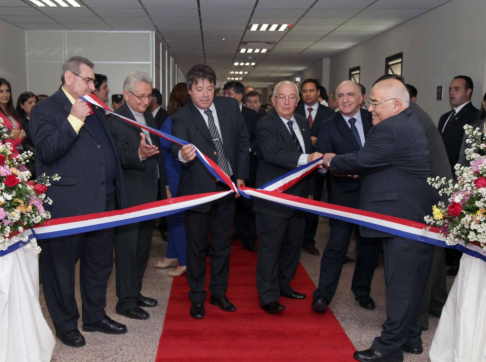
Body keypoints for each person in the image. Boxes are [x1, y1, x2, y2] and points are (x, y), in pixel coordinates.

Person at [323, 79, 438, 362]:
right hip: (411, 214)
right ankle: (410, 338)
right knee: (410, 281)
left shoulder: (391, 127)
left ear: (396, 105)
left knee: (400, 284)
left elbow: (365, 159)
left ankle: (388, 348)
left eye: (375, 102)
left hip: (403, 218)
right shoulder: (409, 119)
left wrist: (331, 161)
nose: (370, 108)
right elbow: (383, 163)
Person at [30, 56, 127, 348]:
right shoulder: (45, 109)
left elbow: (103, 149)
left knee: (99, 263)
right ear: (69, 78)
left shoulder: (95, 107)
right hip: (67, 204)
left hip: (103, 200)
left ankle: (95, 316)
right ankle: (66, 324)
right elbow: (47, 151)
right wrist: (74, 118)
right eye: (87, 79)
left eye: (93, 81)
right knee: (60, 268)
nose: (92, 85)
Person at [171, 64, 249, 319]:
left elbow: (241, 141)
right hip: (198, 193)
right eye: (199, 89)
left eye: (209, 88)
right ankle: (196, 297)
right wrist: (182, 155)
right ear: (190, 91)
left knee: (222, 246)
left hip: (227, 190)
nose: (205, 94)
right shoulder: (182, 117)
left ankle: (219, 292)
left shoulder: (228, 107)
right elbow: (178, 148)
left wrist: (240, 177)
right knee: (196, 248)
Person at [312, 80, 381, 314]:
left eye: (350, 95)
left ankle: (362, 291)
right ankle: (322, 294)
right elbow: (323, 163)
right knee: (336, 246)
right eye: (340, 95)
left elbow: (381, 156)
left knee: (369, 247)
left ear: (362, 98)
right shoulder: (328, 125)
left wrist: (342, 162)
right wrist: (337, 165)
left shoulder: (376, 120)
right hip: (343, 194)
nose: (345, 100)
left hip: (372, 193)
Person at [253, 80, 323, 314]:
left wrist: (311, 188)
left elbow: (308, 163)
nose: (286, 101)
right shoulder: (265, 124)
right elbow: (273, 153)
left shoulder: (303, 123)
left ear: (298, 100)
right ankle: (268, 296)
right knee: (270, 249)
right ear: (273, 101)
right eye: (281, 97)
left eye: (291, 97)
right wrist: (307, 158)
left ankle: (284, 285)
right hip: (273, 198)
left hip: (299, 197)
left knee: (293, 247)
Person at [109, 71, 170, 321]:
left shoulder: (146, 117)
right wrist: (140, 154)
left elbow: (158, 154)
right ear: (126, 95)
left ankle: (135, 292)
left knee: (143, 247)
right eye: (141, 96)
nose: (146, 101)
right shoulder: (115, 120)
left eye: (149, 96)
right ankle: (125, 301)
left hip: (149, 192)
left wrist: (164, 185)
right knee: (127, 249)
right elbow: (120, 156)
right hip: (130, 195)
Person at [438, 75, 479, 276]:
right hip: (442, 174)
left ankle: (455, 258)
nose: (452, 93)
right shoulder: (445, 117)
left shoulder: (475, 116)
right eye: (450, 89)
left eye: (457, 89)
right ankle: (445, 254)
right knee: (444, 215)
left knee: (458, 217)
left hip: (459, 175)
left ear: (468, 91)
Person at [295, 78, 334, 256]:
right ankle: (294, 238)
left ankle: (309, 240)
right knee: (296, 202)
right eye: (305, 91)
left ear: (318, 92)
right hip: (297, 164)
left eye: (311, 91)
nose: (308, 94)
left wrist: (319, 140)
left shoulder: (329, 113)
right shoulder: (293, 110)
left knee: (313, 202)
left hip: (318, 166)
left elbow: (333, 136)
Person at [155, 82, 190, 277]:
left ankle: (182, 261)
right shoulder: (175, 119)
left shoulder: (176, 120)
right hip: (172, 173)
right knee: (171, 218)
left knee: (176, 219)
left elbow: (166, 147)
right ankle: (171, 254)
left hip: (175, 175)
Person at [223, 80, 259, 252]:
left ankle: (249, 238)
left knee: (247, 206)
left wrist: (245, 148)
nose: (226, 97)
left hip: (248, 167)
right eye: (225, 94)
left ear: (239, 96)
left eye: (229, 94)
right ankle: (234, 232)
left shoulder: (252, 116)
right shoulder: (220, 114)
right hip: (227, 167)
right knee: (230, 205)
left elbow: (258, 140)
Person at [0, 78, 27, 157]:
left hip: (17, 153)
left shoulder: (10, 111)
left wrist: (19, 134)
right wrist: (17, 138)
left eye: (7, 91)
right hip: (6, 156)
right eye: (1, 91)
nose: (5, 95)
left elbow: (22, 132)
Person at [15, 91, 37, 175]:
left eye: (35, 102)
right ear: (21, 105)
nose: (34, 105)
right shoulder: (20, 121)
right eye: (30, 102)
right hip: (28, 159)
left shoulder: (36, 119)